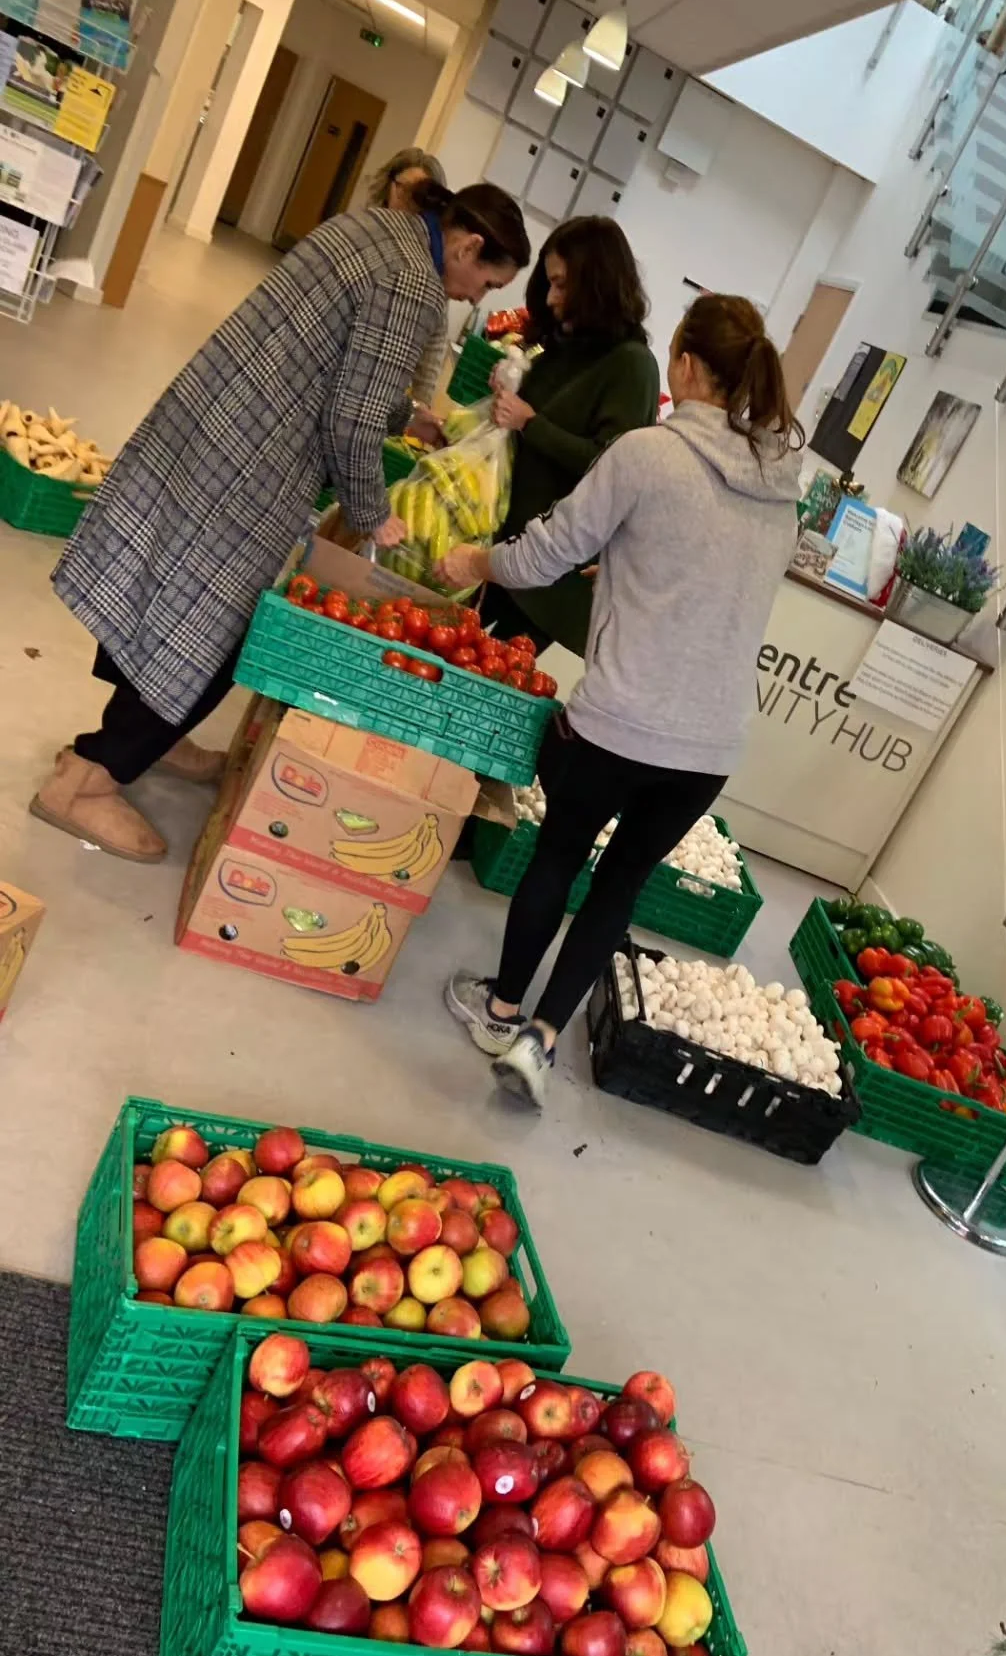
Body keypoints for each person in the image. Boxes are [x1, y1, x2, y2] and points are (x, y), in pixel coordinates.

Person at [33, 182, 531, 863]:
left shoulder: (377, 228)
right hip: (252, 460)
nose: (477, 299)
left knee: (163, 595)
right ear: (469, 246)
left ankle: (148, 739)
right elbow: (350, 418)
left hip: (213, 420)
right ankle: (86, 781)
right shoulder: (415, 284)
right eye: (487, 283)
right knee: (214, 628)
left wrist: (408, 418)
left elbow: (338, 367)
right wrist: (373, 513)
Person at [438, 293, 803, 1108]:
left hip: (620, 724)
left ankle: (501, 1011)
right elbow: (710, 573)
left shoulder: (648, 453)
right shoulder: (783, 488)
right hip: (707, 748)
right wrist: (633, 561)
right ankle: (540, 1040)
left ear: (685, 364)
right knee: (621, 884)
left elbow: (548, 552)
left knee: (559, 856)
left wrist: (477, 561)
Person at [483, 215, 659, 656]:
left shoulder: (631, 365)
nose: (551, 297)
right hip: (500, 549)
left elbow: (613, 468)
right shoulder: (562, 345)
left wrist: (530, 423)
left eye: (561, 284)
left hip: (547, 581)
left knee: (481, 680)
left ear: (596, 283)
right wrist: (510, 383)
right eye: (549, 283)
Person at [366, 148, 450, 442]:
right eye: (403, 189)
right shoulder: (365, 232)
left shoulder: (430, 260)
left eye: (419, 196)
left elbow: (435, 340)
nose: (407, 202)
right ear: (389, 185)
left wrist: (421, 404)